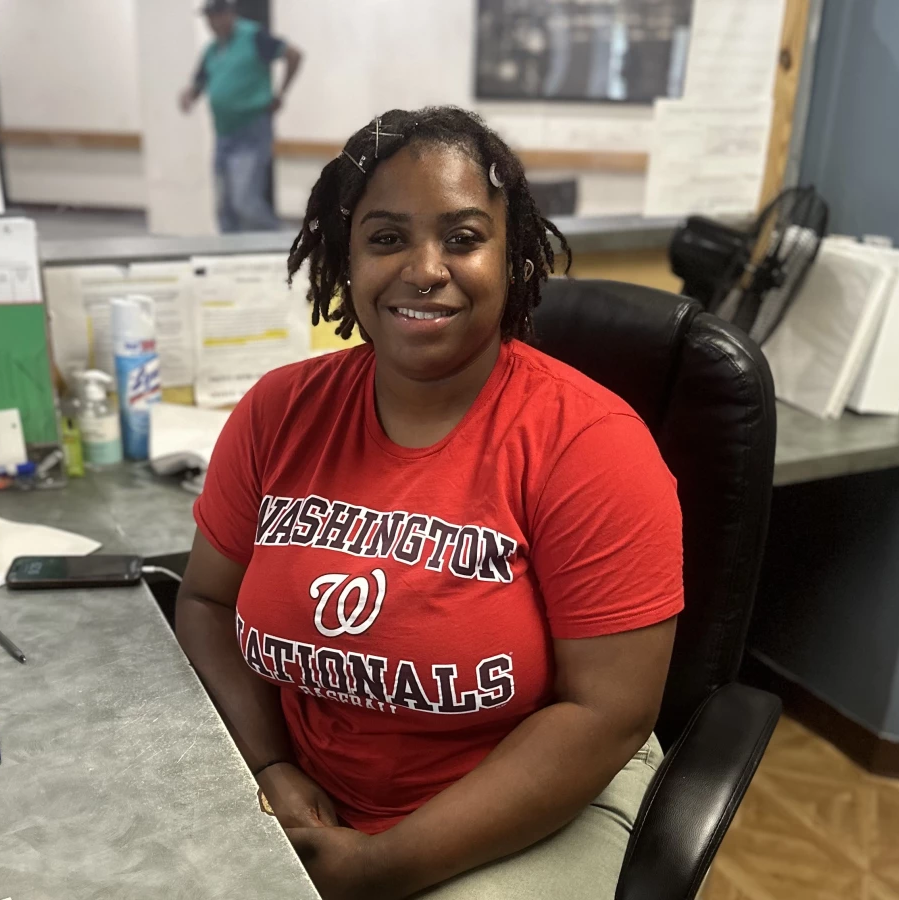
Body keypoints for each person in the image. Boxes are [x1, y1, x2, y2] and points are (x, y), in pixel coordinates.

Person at [176, 106, 683, 900]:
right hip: (310, 792)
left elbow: (605, 714)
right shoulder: (279, 412)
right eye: (386, 238)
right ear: (346, 260)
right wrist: (270, 764)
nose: (423, 269)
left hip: (537, 808)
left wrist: (381, 867)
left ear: (511, 256)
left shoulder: (592, 446)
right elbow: (207, 602)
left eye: (462, 237)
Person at [179, 0, 302, 232]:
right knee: (224, 207)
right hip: (223, 134)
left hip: (252, 131)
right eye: (209, 18)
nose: (213, 22)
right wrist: (189, 96)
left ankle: (284, 242)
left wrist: (281, 93)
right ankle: (230, 251)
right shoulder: (212, 49)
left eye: (217, 15)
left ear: (230, 14)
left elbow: (293, 55)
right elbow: (200, 81)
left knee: (245, 201)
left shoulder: (253, 36)